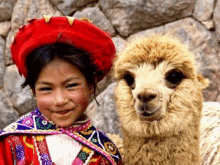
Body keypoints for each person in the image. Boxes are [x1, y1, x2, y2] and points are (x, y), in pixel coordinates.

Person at [0, 15, 122, 165]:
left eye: (71, 86)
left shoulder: (105, 155)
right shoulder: (10, 144)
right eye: (46, 89)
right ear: (33, 90)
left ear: (91, 84)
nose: (60, 100)